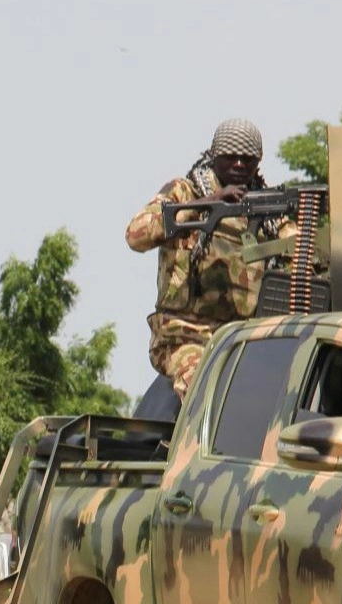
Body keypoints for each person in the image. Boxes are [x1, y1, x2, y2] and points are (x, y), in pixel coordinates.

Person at [125, 118, 293, 400]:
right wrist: (209, 203)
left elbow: (301, 248)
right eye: (230, 157)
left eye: (248, 159)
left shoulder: (267, 207)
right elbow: (136, 234)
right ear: (214, 156)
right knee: (202, 387)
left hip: (244, 339)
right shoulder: (185, 191)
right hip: (183, 338)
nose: (239, 164)